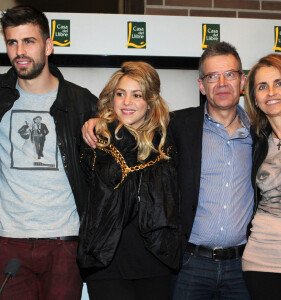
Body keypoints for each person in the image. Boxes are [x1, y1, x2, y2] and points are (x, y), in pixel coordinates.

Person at [82, 41, 253, 299]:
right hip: (187, 263)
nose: (221, 83)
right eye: (212, 76)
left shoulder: (259, 134)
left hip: (237, 264)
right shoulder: (179, 126)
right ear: (201, 85)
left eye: (229, 74)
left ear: (242, 81)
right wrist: (97, 122)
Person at [0, 5, 97, 300]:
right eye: (12, 42)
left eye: (29, 41)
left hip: (64, 241)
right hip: (8, 241)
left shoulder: (82, 102)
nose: (20, 51)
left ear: (48, 45)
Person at [77, 61, 181, 300]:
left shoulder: (166, 141)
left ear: (150, 101)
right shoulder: (94, 141)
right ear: (111, 98)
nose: (127, 102)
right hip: (106, 262)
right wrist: (101, 124)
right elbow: (84, 196)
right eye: (120, 94)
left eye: (137, 95)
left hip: (155, 261)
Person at [242, 54, 281, 300]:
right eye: (262, 87)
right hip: (260, 260)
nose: (271, 92)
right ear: (255, 99)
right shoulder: (255, 142)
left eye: (279, 83)